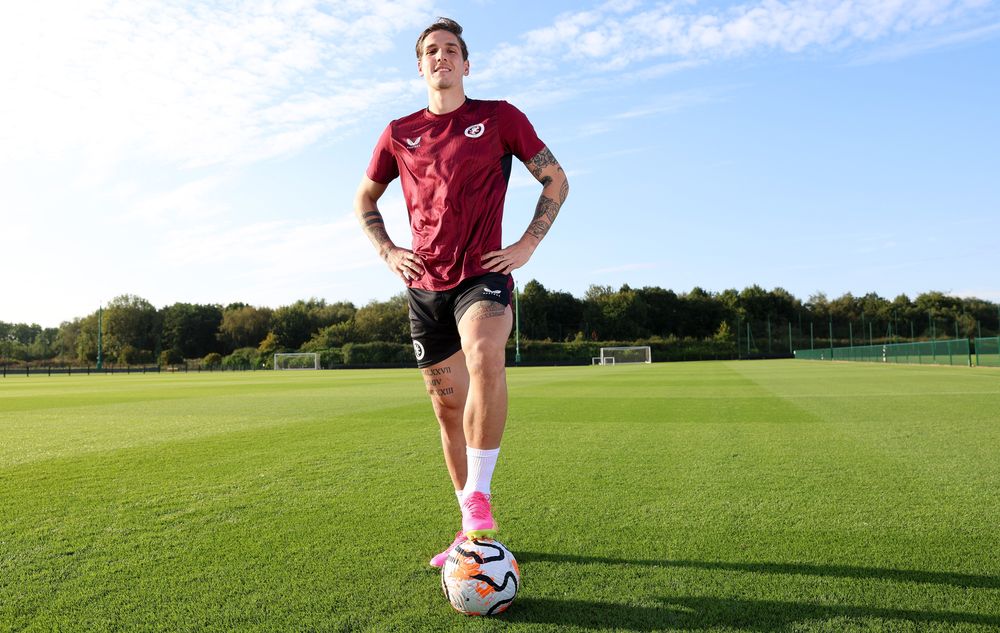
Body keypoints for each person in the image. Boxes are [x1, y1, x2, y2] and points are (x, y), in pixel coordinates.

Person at [353, 17, 568, 567]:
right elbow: (365, 201)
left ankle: (479, 501)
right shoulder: (399, 132)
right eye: (431, 51)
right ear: (420, 66)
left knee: (485, 354)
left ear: (466, 64)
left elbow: (556, 179)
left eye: (451, 50)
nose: (441, 57)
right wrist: (388, 251)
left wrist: (526, 244)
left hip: (483, 273)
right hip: (424, 285)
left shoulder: (498, 117)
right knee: (447, 409)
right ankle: (467, 527)